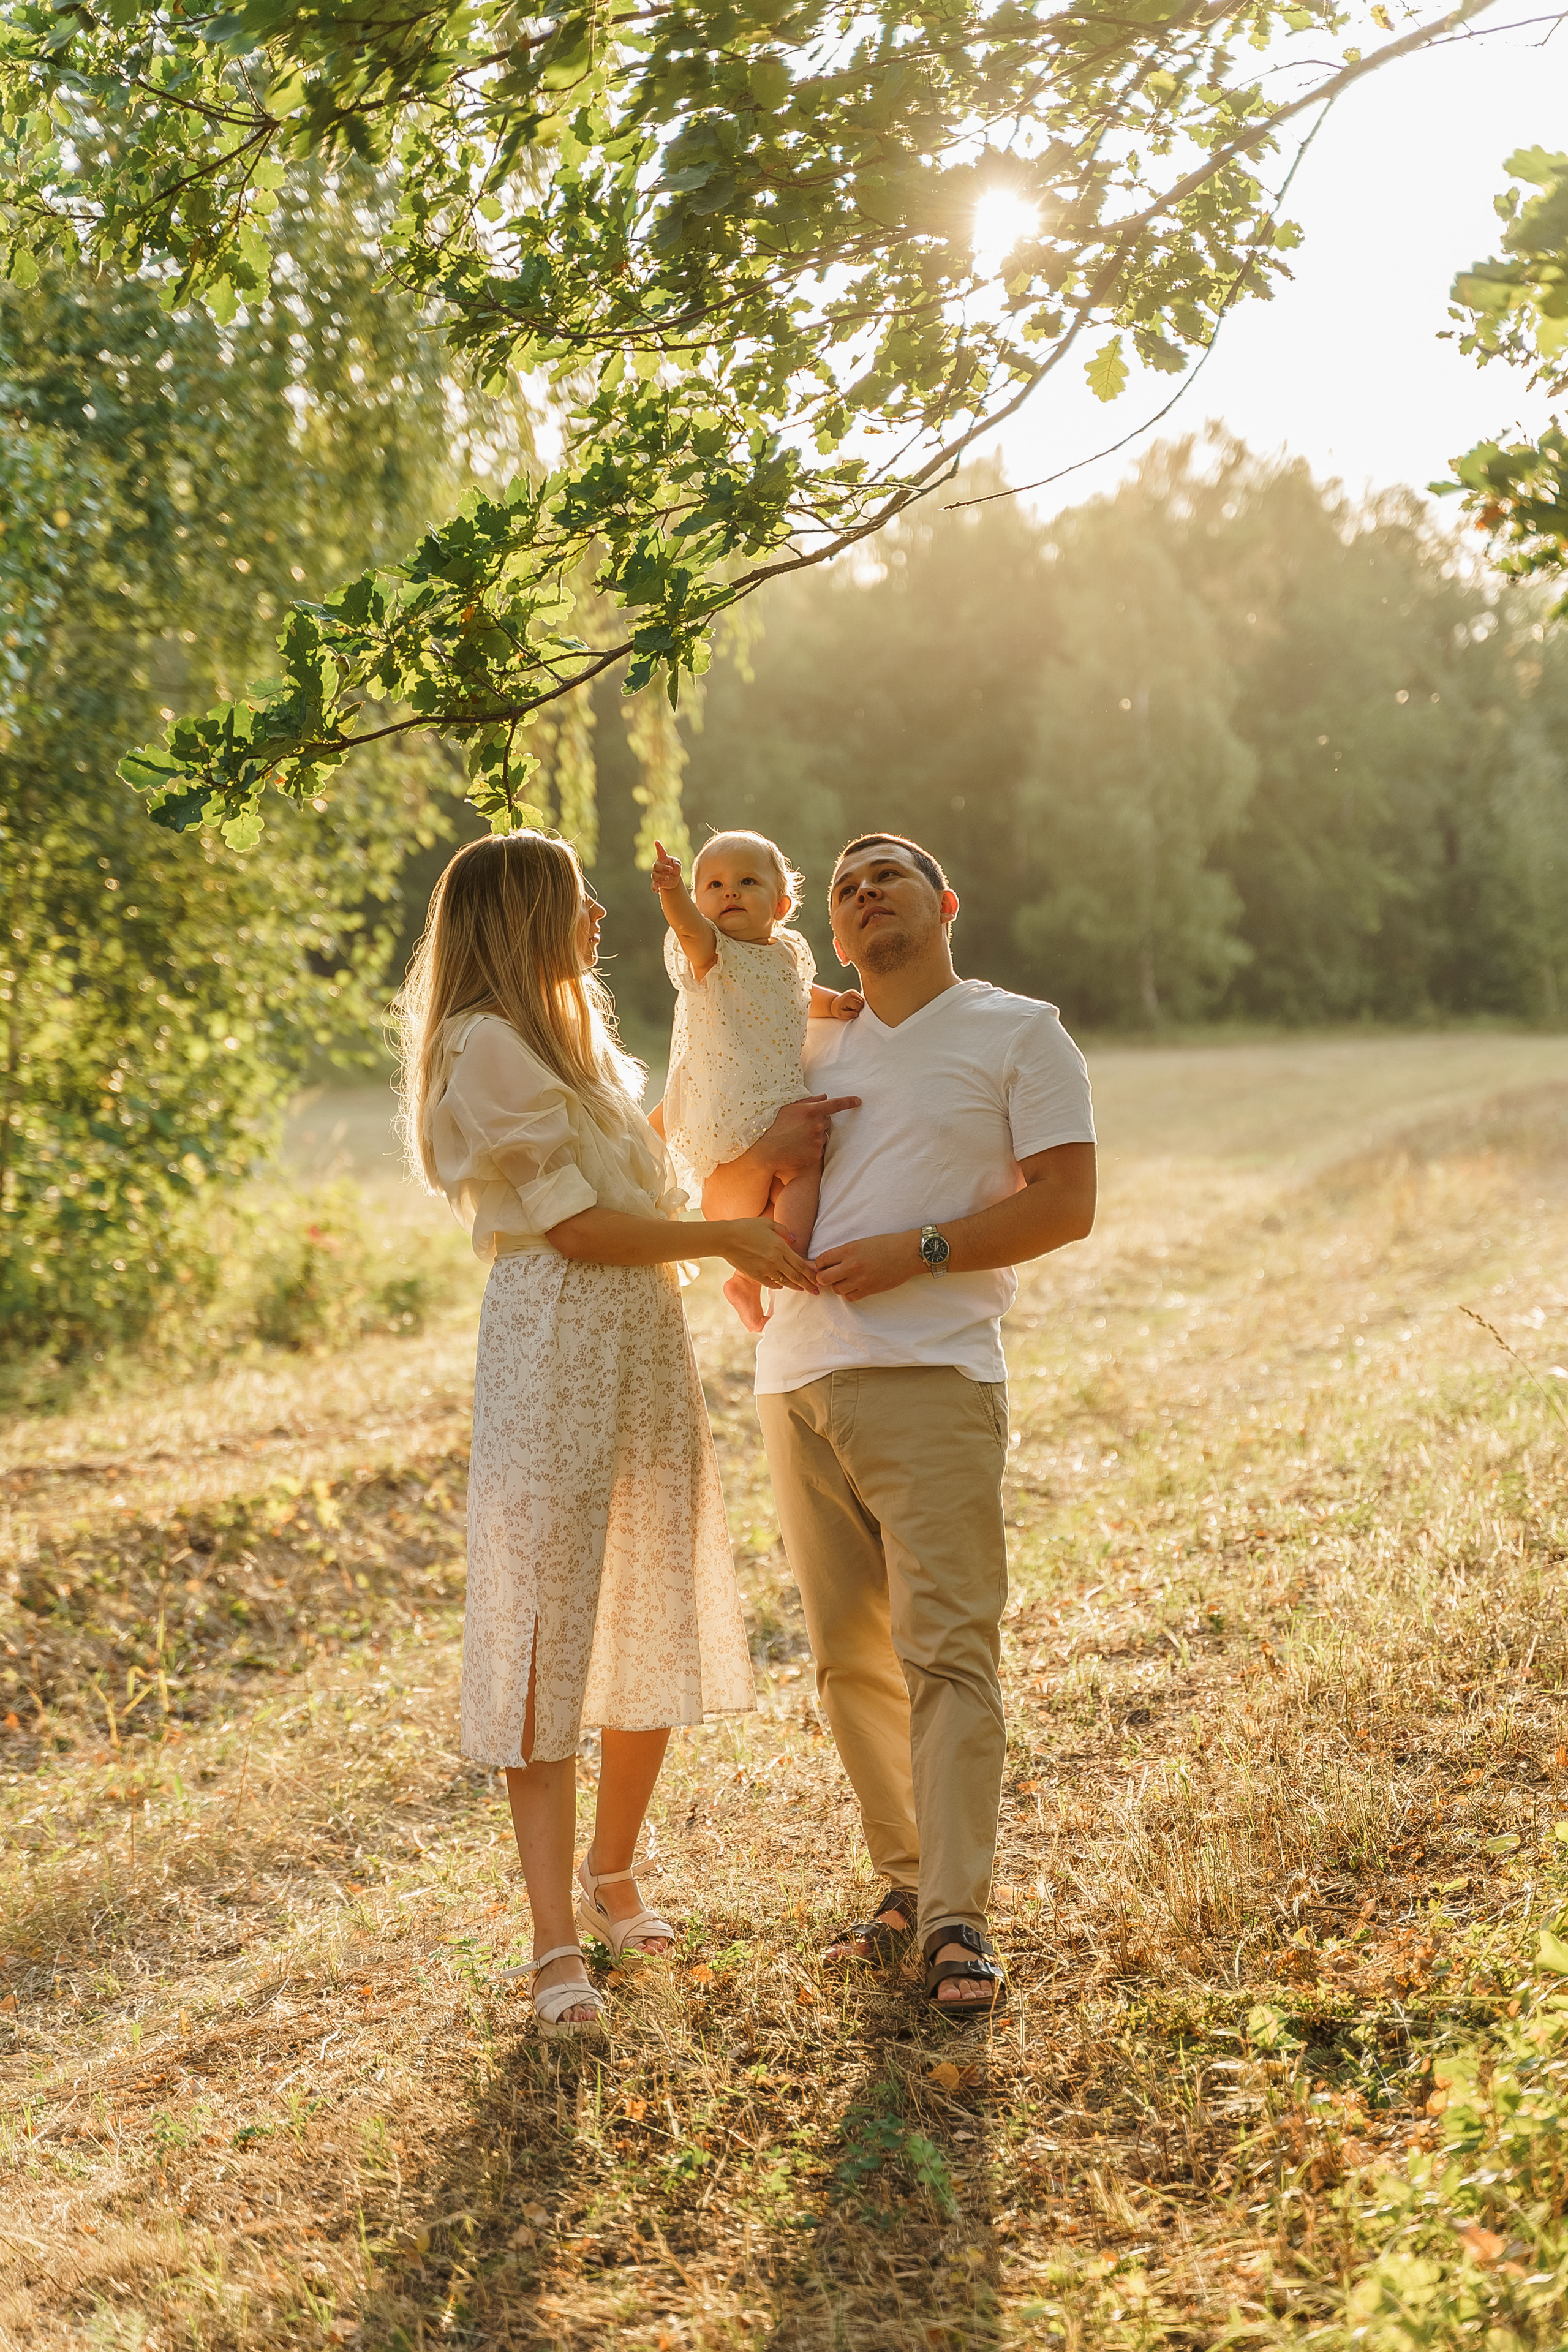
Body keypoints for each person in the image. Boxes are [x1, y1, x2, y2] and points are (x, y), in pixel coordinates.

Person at [400, 831, 820, 2036]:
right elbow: (579, 1231)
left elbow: (650, 1203)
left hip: (640, 1342)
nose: (598, 914)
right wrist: (733, 1241)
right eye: (573, 898)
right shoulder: (483, 1051)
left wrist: (753, 1169)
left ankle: (616, 1873)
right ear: (522, 917)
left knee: (646, 1607)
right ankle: (548, 1944)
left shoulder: (582, 1044)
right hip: (551, 1346)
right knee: (545, 1640)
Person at [752, 834, 1098, 2021]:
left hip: (932, 1374)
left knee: (945, 1652)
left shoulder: (1018, 1031)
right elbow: (710, 1146)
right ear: (833, 930)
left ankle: (957, 1917)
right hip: (791, 1380)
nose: (861, 893)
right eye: (844, 887)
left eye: (885, 875)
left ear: (943, 904)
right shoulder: (804, 1038)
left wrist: (922, 1252)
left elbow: (1067, 1203)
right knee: (848, 1659)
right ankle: (899, 1887)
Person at [649, 830, 863, 1333]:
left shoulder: (786, 952)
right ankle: (754, 1269)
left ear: (782, 904)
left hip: (780, 1094)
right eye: (715, 885)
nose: (730, 893)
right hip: (731, 1104)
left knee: (802, 1177)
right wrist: (673, 891)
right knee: (762, 1187)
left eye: (747, 882)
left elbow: (795, 989)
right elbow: (685, 927)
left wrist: (831, 1004)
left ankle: (750, 1280)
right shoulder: (710, 952)